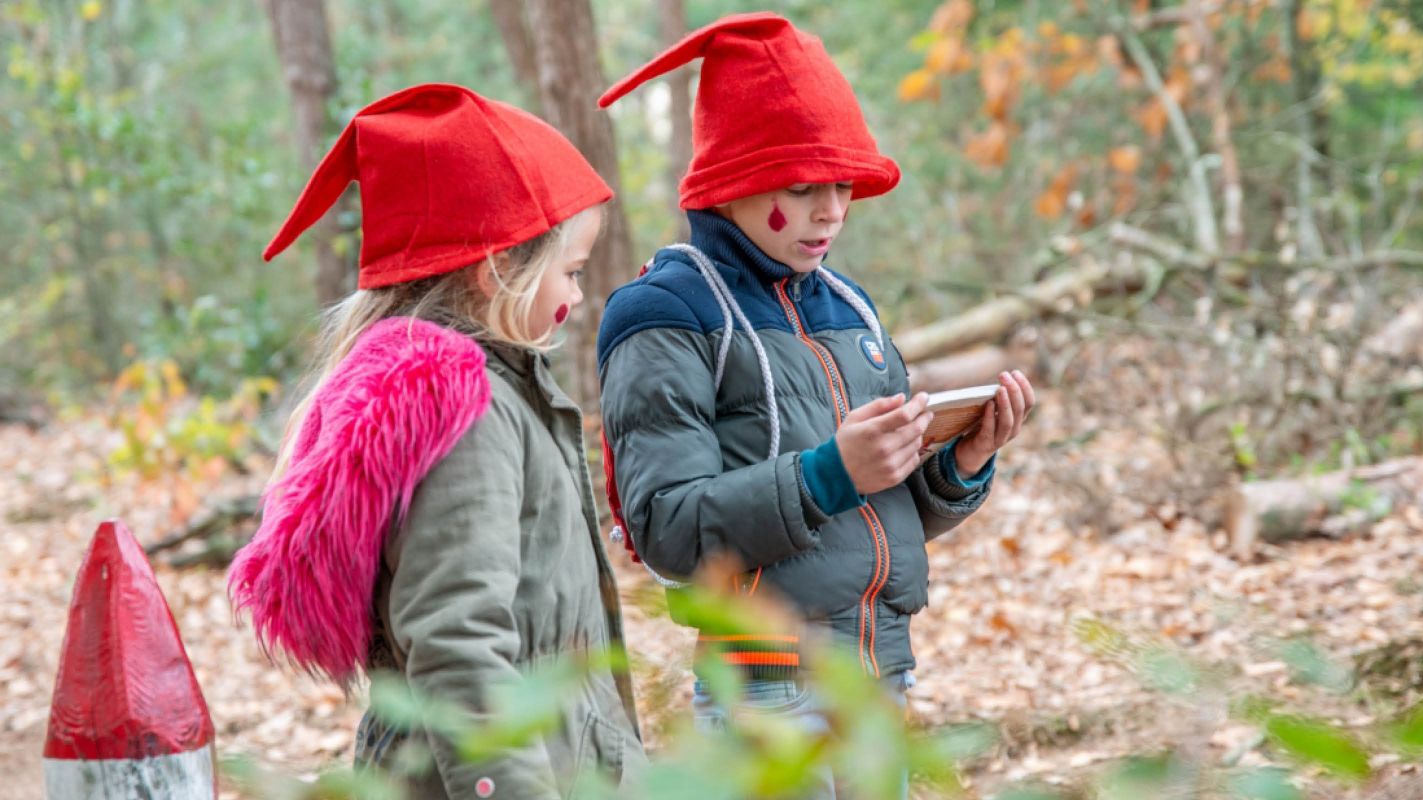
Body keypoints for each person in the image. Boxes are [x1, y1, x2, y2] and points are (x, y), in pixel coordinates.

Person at [595, 12, 1034, 795]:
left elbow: (878, 511)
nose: (830, 210)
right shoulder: (661, 312)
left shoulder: (849, 307)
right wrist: (828, 472)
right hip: (767, 700)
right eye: (802, 189)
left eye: (842, 185)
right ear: (729, 183)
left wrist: (960, 464)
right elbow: (666, 528)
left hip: (879, 678)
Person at [228, 83, 644, 800]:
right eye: (569, 271)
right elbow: (457, 639)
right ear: (495, 274)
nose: (576, 297)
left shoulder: (502, 391)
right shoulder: (469, 411)